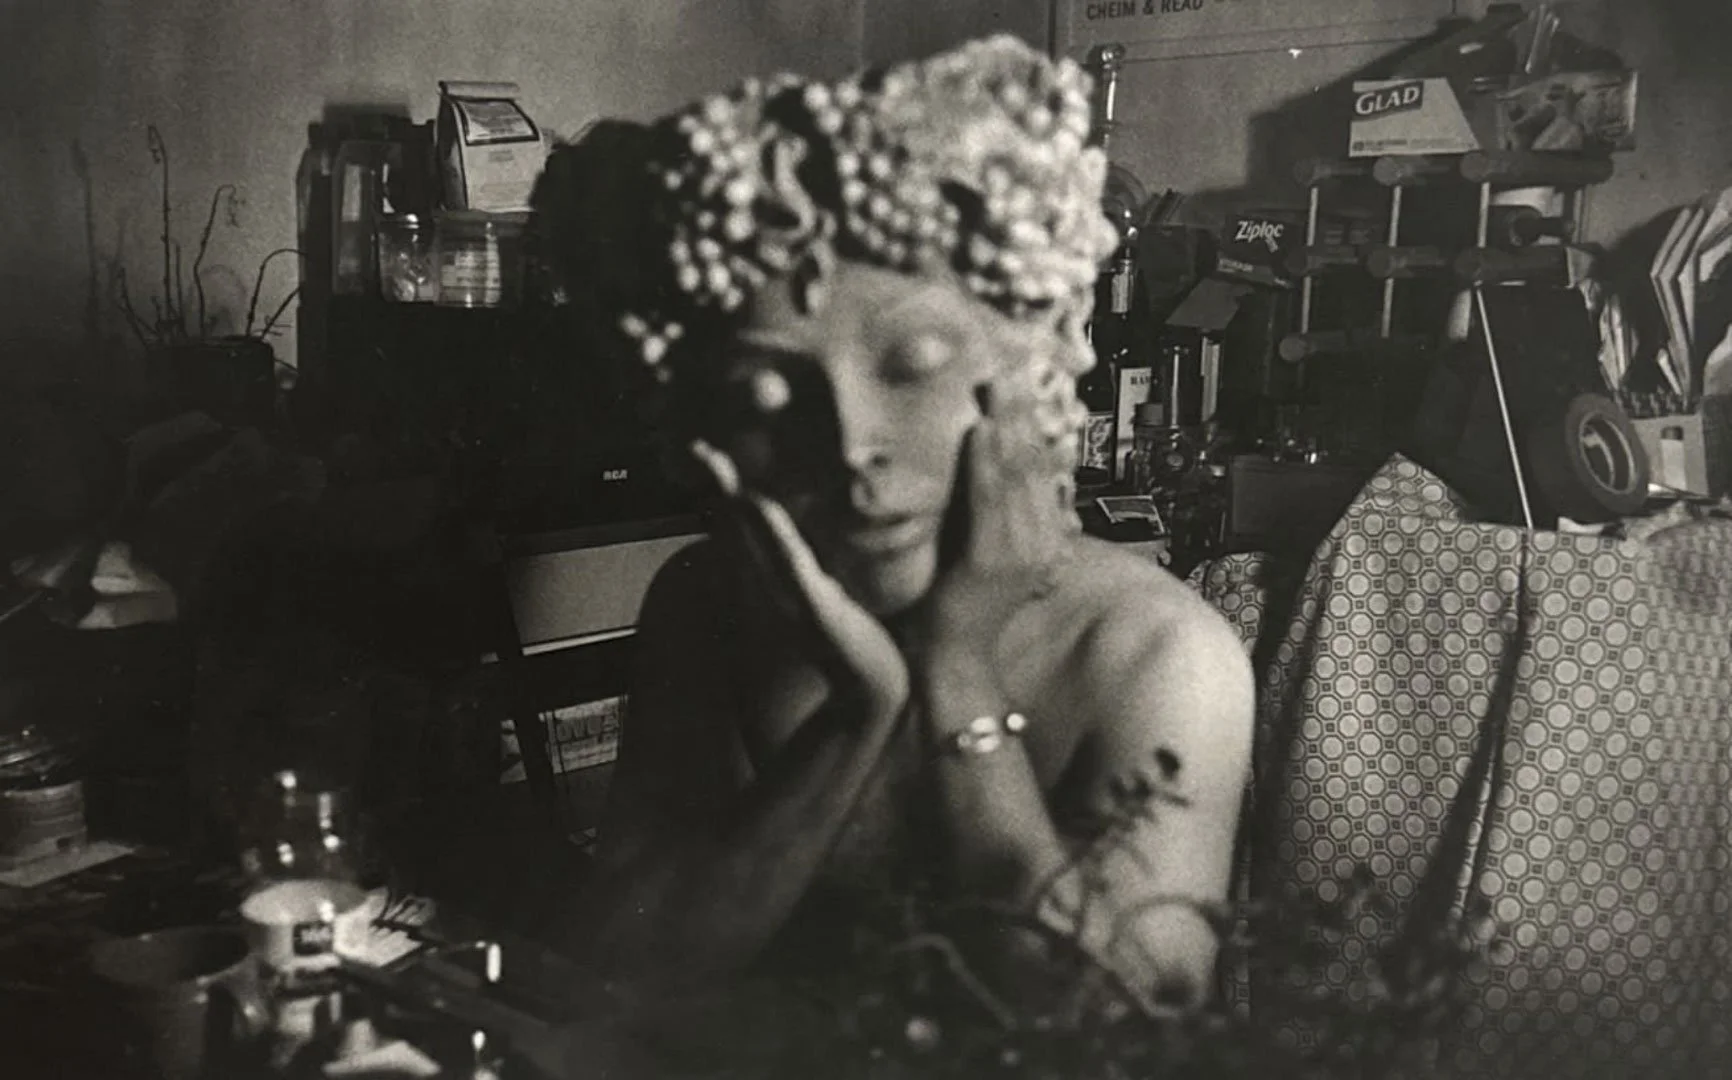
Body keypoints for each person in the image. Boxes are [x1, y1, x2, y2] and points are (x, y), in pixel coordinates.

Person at [533, 36, 1254, 1017]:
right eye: (765, 392)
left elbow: (1125, 1032)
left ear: (1024, 369)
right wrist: (857, 710)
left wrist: (953, 668)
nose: (850, 444)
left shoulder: (1157, 655)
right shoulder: (707, 606)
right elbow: (616, 966)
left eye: (913, 363)